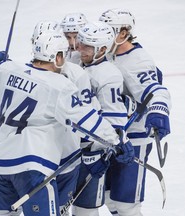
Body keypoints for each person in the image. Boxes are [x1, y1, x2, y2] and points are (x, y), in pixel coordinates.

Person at [0, 31, 134, 216]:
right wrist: (117, 140)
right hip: (31, 168)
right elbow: (86, 120)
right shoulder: (58, 86)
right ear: (57, 57)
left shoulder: (6, 70)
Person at [99, 9, 172, 216]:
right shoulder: (107, 52)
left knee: (126, 205)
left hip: (134, 139)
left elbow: (155, 91)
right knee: (108, 198)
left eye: (109, 31)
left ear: (123, 33)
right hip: (111, 137)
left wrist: (159, 111)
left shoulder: (138, 61)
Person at [31, 20, 100, 215]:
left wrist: (96, 145)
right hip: (37, 156)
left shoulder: (76, 74)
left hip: (67, 156)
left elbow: (88, 114)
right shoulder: (31, 70)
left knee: (64, 209)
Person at [71, 21, 130, 216]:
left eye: (88, 46)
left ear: (103, 49)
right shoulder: (72, 61)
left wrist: (101, 151)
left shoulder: (109, 74)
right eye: (81, 43)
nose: (81, 49)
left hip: (89, 152)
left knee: (85, 210)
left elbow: (114, 121)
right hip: (63, 148)